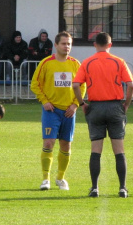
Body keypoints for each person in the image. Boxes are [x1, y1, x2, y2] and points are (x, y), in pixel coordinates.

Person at [72, 32, 133, 198]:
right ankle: (122, 188)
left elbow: (76, 85)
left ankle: (94, 188)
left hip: (96, 107)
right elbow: (131, 85)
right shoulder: (118, 61)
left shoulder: (87, 62)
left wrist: (82, 104)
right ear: (110, 44)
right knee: (119, 150)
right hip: (115, 107)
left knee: (96, 150)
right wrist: (126, 104)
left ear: (94, 45)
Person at [30, 31, 86, 191]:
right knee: (48, 142)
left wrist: (75, 105)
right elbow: (35, 84)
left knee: (66, 145)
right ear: (56, 45)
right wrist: (45, 101)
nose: (67, 46)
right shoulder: (46, 63)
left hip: (69, 111)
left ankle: (60, 178)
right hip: (51, 110)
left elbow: (83, 85)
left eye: (69, 44)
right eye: (63, 43)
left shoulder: (75, 64)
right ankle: (45, 178)